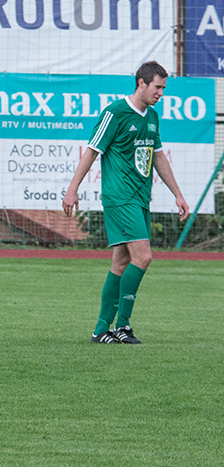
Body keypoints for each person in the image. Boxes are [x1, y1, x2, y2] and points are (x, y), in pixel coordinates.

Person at [62, 61, 189, 344]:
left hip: (141, 198)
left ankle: (100, 330)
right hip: (120, 198)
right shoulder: (115, 113)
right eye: (158, 87)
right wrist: (72, 190)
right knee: (143, 257)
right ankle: (124, 325)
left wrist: (177, 194)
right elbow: (92, 151)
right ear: (141, 83)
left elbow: (157, 157)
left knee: (121, 262)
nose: (161, 93)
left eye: (164, 88)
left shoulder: (152, 117)